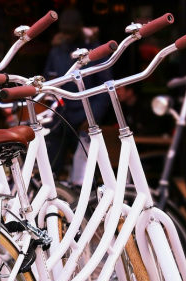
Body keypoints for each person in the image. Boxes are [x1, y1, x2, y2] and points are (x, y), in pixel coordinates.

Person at [43, 8, 112, 179]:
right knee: (51, 168)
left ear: (79, 27)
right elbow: (48, 81)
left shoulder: (95, 51)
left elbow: (105, 88)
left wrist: (92, 117)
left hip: (85, 117)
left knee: (86, 173)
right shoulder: (57, 50)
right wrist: (50, 110)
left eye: (71, 32)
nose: (67, 36)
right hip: (61, 116)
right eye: (65, 32)